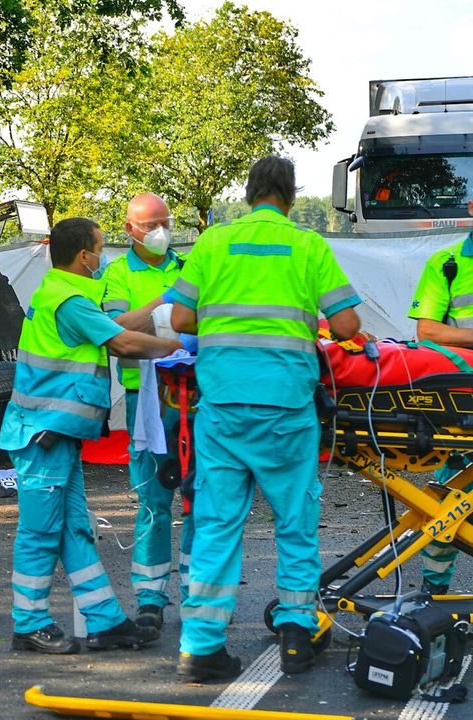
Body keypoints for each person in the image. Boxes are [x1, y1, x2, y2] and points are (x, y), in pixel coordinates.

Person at [166, 156, 362, 681]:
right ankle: (297, 634)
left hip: (223, 409)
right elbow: (346, 324)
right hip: (286, 410)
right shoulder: (308, 246)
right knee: (294, 523)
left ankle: (200, 649)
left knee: (216, 525)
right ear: (291, 195)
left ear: (250, 193)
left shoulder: (211, 243)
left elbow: (181, 318)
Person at [1, 216, 183, 655]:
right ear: (84, 256)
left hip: (55, 434)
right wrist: (182, 348)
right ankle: (28, 622)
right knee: (41, 531)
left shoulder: (63, 291)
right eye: (101, 249)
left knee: (74, 529)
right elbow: (123, 343)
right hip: (42, 434)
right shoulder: (70, 302)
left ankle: (105, 621)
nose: (104, 257)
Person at [100, 193, 194, 632]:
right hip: (147, 400)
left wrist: (154, 320)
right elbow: (116, 329)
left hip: (195, 394)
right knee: (154, 502)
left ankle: (198, 595)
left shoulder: (192, 264)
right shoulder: (116, 273)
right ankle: (150, 598)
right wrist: (168, 304)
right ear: (130, 229)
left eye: (165, 222)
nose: (161, 232)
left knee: (199, 499)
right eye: (151, 224)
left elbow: (203, 320)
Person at [406, 198, 473, 595]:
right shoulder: (447, 263)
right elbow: (428, 333)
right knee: (445, 501)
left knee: (446, 502)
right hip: (463, 402)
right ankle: (435, 593)